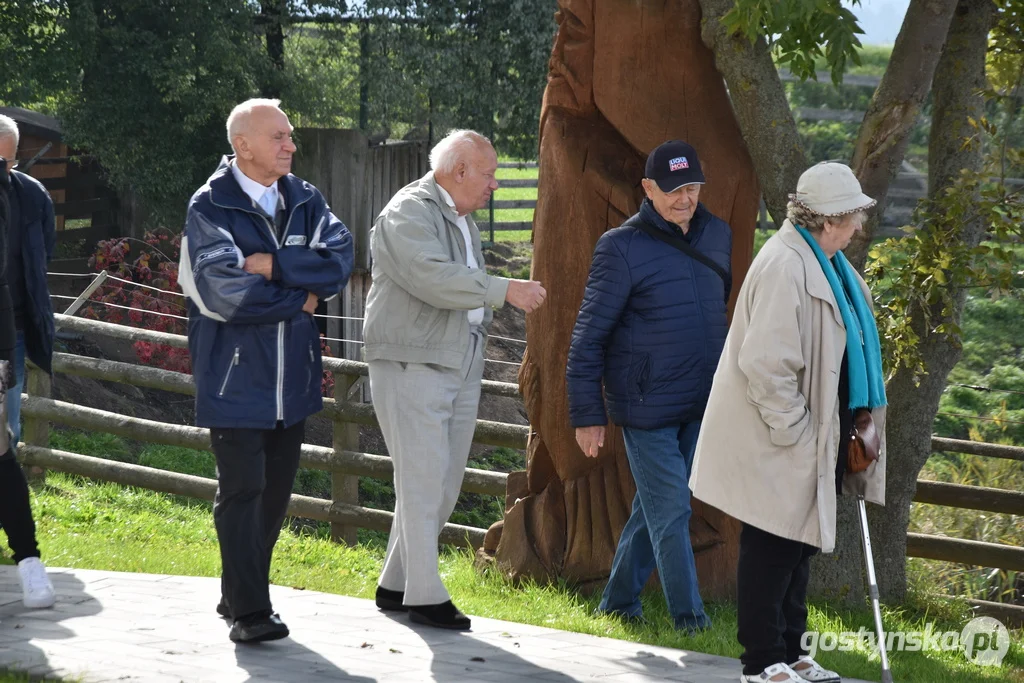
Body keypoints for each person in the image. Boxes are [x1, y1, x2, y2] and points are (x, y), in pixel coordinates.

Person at [689, 162, 887, 683]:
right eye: (853, 216)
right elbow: (767, 364)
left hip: (818, 433)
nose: (858, 227)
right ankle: (761, 662)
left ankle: (794, 653)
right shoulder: (786, 264)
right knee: (773, 547)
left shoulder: (825, 261)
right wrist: (796, 434)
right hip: (784, 436)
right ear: (829, 219)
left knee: (799, 547)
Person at [178, 98, 353, 643]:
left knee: (274, 495)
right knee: (243, 490)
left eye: (290, 136)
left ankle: (237, 592)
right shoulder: (210, 207)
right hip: (234, 380)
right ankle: (251, 612)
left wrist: (275, 265)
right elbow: (226, 294)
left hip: (293, 380)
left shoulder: (306, 199)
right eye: (278, 137)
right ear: (243, 145)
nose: (290, 145)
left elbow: (340, 261)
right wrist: (299, 299)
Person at [363, 129, 546, 630]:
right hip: (412, 363)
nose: (493, 186)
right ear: (459, 170)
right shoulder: (409, 211)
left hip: (455, 362)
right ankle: (425, 594)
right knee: (423, 483)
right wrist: (503, 289)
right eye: (488, 174)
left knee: (440, 485)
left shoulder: (458, 216)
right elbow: (432, 277)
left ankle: (395, 583)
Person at [566, 140, 731, 633]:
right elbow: (587, 336)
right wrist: (587, 414)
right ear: (648, 189)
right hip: (645, 407)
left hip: (700, 399)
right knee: (673, 509)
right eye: (675, 189)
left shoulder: (716, 234)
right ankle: (692, 621)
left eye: (694, 187)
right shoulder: (620, 247)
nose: (686, 198)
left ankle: (617, 603)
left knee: (655, 507)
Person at [0, 115, 57, 609]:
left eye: (5, 158)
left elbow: (40, 259)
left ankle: (24, 557)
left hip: (10, 332)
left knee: (5, 438)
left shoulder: (32, 195)